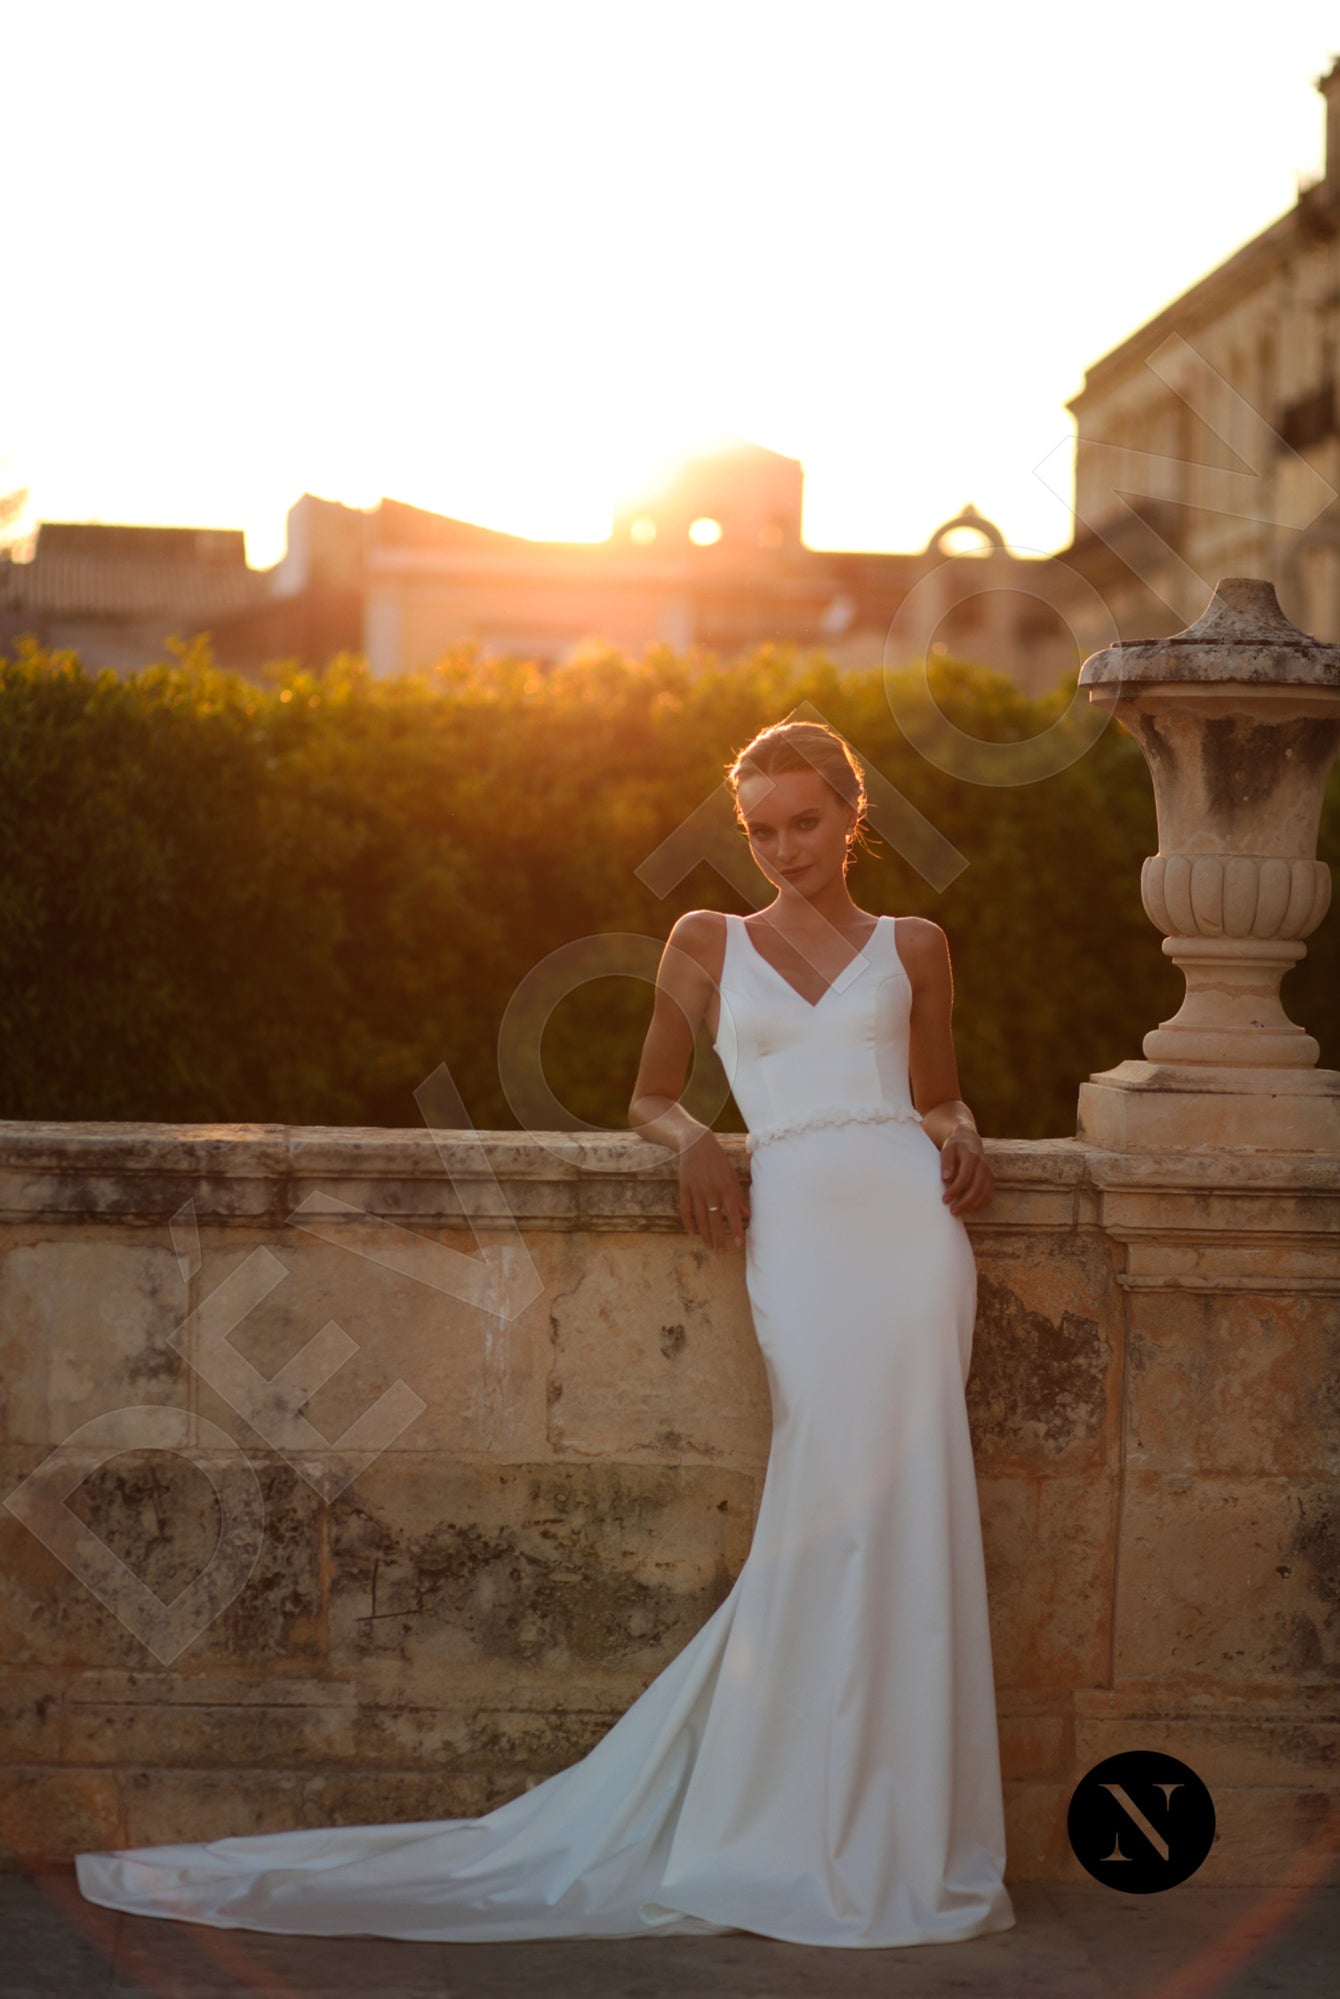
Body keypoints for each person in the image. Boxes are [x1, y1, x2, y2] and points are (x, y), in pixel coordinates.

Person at [75, 716, 1014, 1951]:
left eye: (806, 821)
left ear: (852, 815)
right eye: (761, 829)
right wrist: (693, 1145)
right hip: (797, 1236)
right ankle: (790, 1814)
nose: (784, 848)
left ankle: (898, 1831)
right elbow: (649, 1095)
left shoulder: (917, 944)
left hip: (908, 1237)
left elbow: (933, 1087)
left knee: (912, 1511)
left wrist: (958, 1126)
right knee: (824, 1507)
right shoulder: (704, 939)